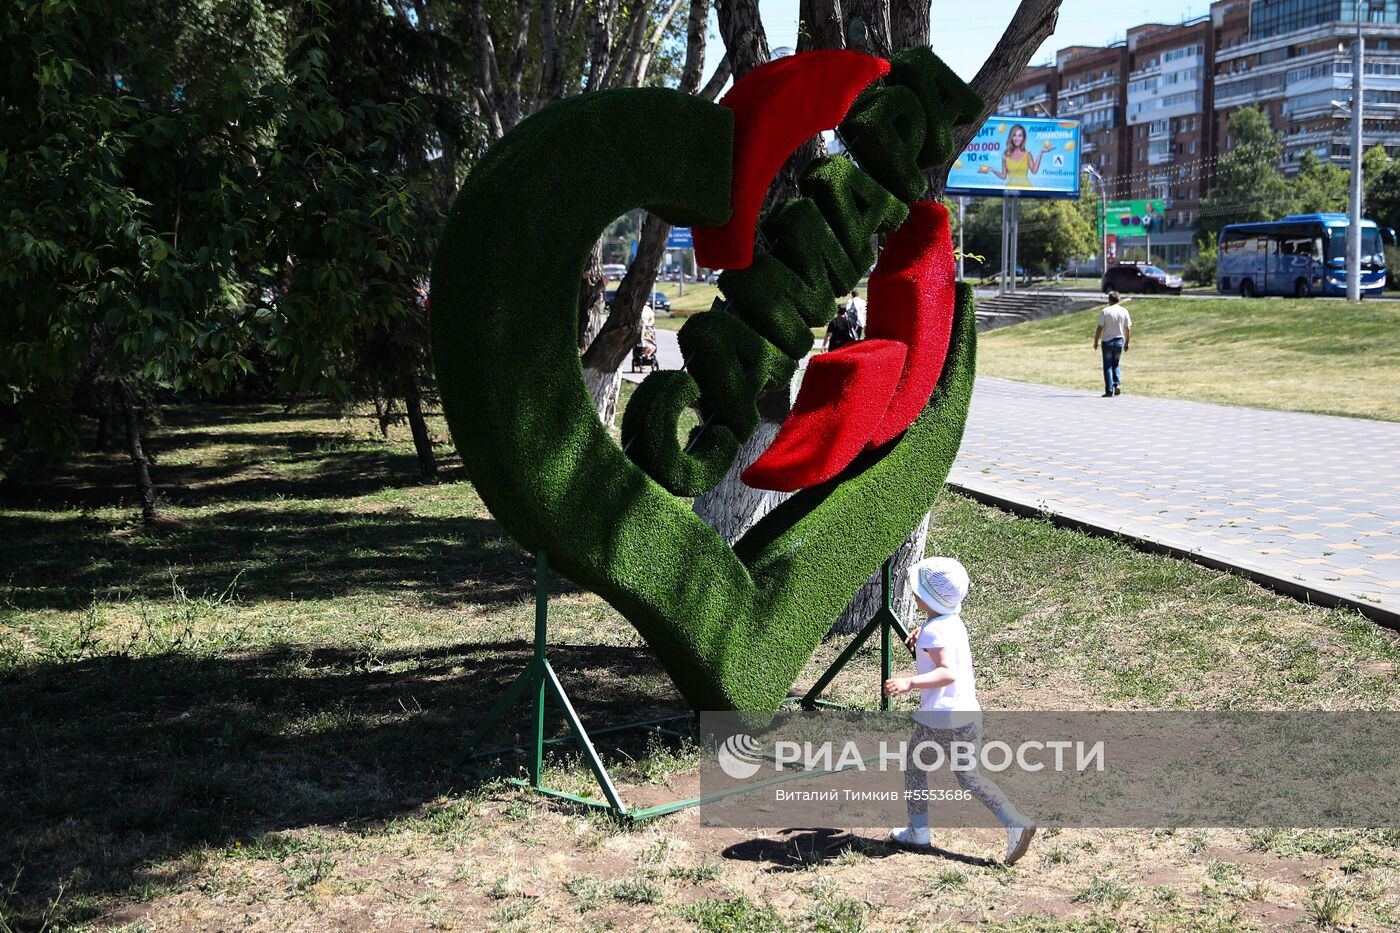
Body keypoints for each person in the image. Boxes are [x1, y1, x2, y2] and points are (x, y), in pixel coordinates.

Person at [884, 557, 1036, 865]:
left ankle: (918, 832)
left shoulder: (933, 631)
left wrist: (909, 682)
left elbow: (947, 672)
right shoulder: (950, 623)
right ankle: (1014, 821)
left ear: (927, 597)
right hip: (967, 713)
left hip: (941, 718)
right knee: (969, 776)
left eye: (918, 591)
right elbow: (939, 644)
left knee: (914, 767)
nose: (914, 594)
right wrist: (922, 635)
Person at [1093, 291, 1132, 397]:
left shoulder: (1105, 311)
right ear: (1119, 300)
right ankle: (1117, 384)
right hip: (1119, 340)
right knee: (1116, 364)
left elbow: (1099, 328)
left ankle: (1109, 390)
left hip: (1107, 341)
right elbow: (1127, 328)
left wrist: (1096, 341)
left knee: (1108, 366)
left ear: (1109, 300)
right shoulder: (1124, 311)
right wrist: (1127, 342)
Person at [989, 124, 1042, 189]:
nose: (1017, 138)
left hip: (1026, 190)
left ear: (1023, 138)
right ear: (1011, 137)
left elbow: (1034, 171)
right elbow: (1003, 176)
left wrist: (1040, 152)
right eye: (1014, 135)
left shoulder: (1027, 155)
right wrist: (992, 170)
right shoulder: (1005, 155)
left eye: (1020, 135)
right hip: (1010, 190)